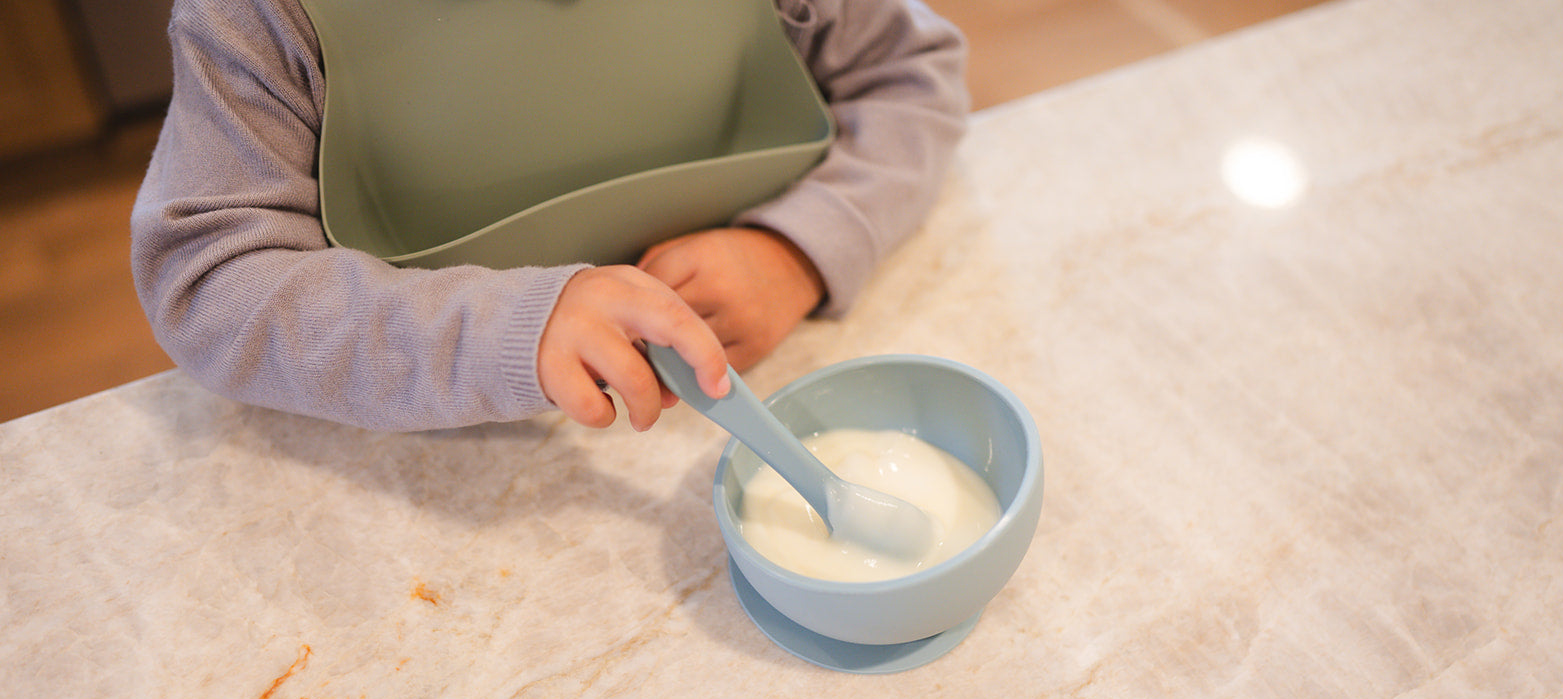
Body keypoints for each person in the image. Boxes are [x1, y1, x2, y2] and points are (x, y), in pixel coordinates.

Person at [131, 0, 968, 433]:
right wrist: (504, 332)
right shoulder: (256, 19)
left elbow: (908, 73)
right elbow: (210, 282)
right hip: (433, 445)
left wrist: (797, 251)